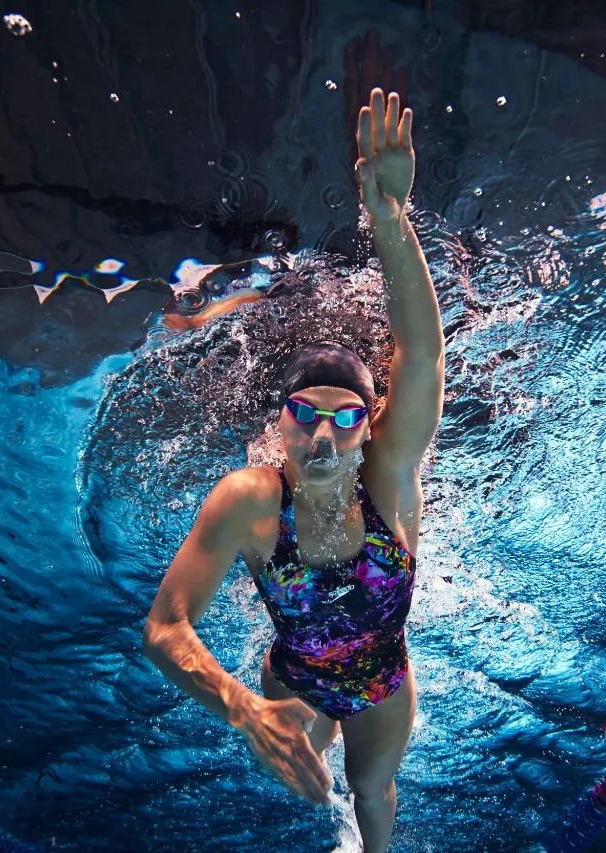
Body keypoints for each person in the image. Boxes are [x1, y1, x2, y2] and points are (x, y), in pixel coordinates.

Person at [142, 87, 444, 853]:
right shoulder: (250, 501)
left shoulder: (388, 477)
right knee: (300, 782)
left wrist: (390, 218)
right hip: (295, 677)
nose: (321, 433)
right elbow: (163, 626)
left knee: (372, 792)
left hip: (382, 680)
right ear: (278, 419)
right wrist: (245, 708)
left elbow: (423, 352)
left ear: (366, 426)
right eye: (303, 412)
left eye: (345, 416)